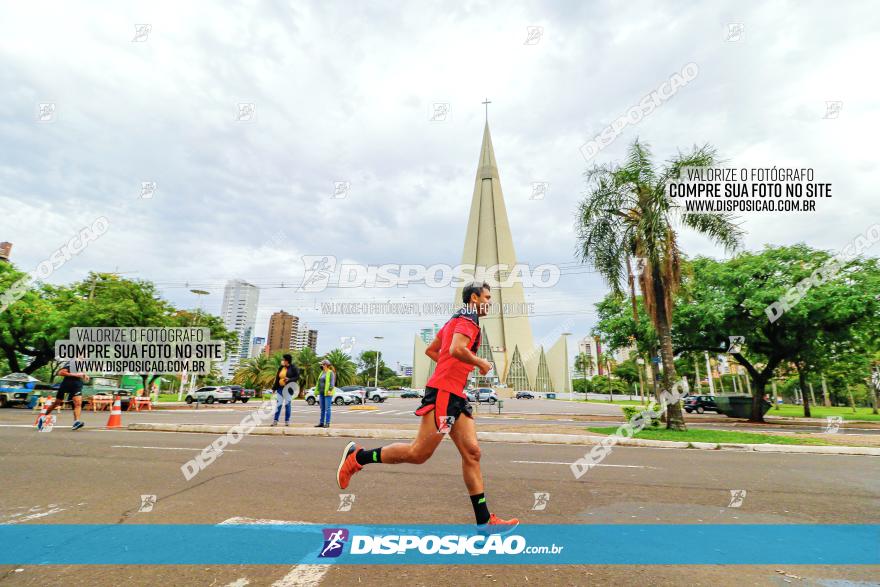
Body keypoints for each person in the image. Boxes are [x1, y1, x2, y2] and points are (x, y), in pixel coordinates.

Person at [335, 282, 518, 529]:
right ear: (474, 298)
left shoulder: (455, 321)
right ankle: (358, 458)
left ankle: (484, 521)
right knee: (418, 453)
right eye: (487, 297)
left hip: (455, 395)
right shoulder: (469, 318)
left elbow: (434, 351)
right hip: (444, 393)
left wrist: (455, 365)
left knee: (472, 453)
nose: (489, 303)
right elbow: (456, 349)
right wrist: (478, 363)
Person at [39, 362, 89, 431]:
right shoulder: (71, 363)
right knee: (57, 403)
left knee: (78, 403)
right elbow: (61, 372)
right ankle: (43, 418)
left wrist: (85, 375)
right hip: (66, 386)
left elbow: (81, 373)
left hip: (77, 386)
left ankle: (76, 422)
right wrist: (75, 375)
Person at [271, 354, 299, 426]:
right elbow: (277, 378)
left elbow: (296, 377)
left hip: (288, 389)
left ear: (287, 361)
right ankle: (275, 420)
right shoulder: (281, 368)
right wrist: (274, 388)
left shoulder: (293, 368)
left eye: (283, 360)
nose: (282, 361)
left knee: (287, 404)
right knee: (278, 404)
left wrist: (289, 379)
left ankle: (287, 420)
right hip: (280, 388)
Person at [315, 359, 335, 428]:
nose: (321, 365)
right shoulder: (322, 373)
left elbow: (332, 383)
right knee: (322, 408)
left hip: (328, 393)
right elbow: (318, 382)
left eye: (322, 364)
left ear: (325, 365)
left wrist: (330, 390)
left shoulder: (330, 372)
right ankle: (321, 423)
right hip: (321, 393)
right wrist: (316, 391)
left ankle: (327, 423)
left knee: (327, 408)